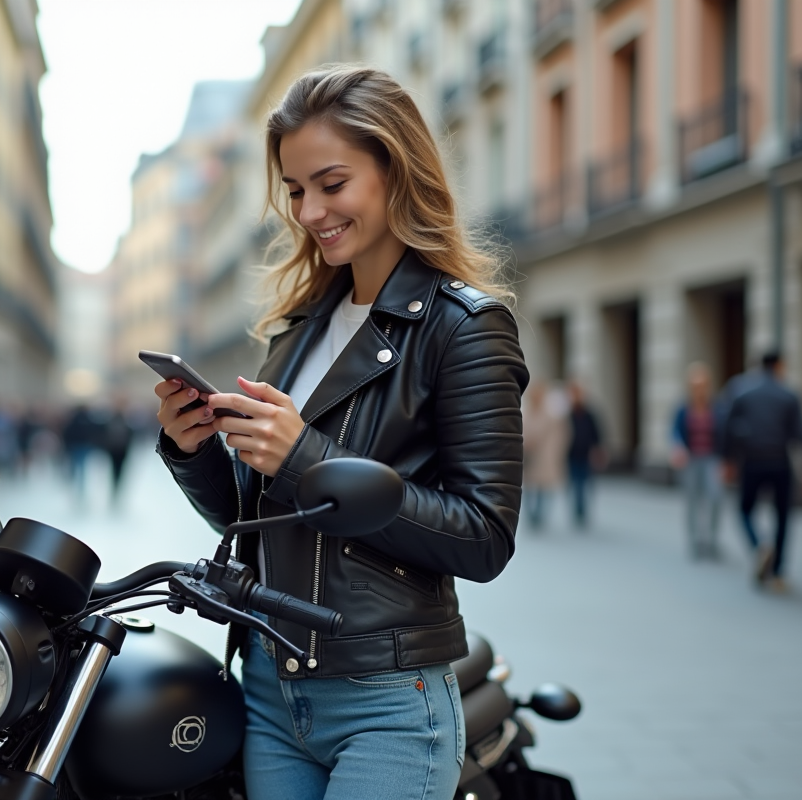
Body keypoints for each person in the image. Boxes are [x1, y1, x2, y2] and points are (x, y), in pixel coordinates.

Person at [153, 66, 528, 800]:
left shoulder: (466, 328)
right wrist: (192, 449)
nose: (309, 210)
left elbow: (486, 537)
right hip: (269, 688)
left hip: (387, 702)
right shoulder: (297, 332)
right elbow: (253, 519)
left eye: (332, 183)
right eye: (295, 190)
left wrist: (305, 457)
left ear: (394, 170)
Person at [723, 351, 802, 593]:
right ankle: (779, 572)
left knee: (744, 509)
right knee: (783, 516)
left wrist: (727, 460)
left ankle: (759, 547)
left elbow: (728, 427)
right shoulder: (788, 395)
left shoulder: (743, 393)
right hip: (780, 462)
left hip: (752, 461)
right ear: (779, 366)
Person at [671, 362, 722, 559]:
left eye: (702, 384)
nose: (699, 389)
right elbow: (674, 432)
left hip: (711, 458)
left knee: (715, 497)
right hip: (691, 459)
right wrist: (677, 448)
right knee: (692, 500)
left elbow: (723, 432)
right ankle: (694, 541)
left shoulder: (716, 407)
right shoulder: (683, 409)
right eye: (695, 385)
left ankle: (711, 540)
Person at [522, 381, 568, 530]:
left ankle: (539, 516)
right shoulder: (525, 412)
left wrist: (556, 454)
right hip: (529, 457)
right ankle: (531, 516)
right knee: (529, 488)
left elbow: (561, 437)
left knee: (543, 488)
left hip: (545, 458)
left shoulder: (551, 416)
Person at [565, 380, 603, 529]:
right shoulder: (567, 414)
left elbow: (597, 433)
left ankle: (582, 511)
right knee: (574, 484)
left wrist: (599, 450)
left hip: (586, 454)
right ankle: (577, 510)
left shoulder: (589, 414)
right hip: (571, 455)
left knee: (585, 484)